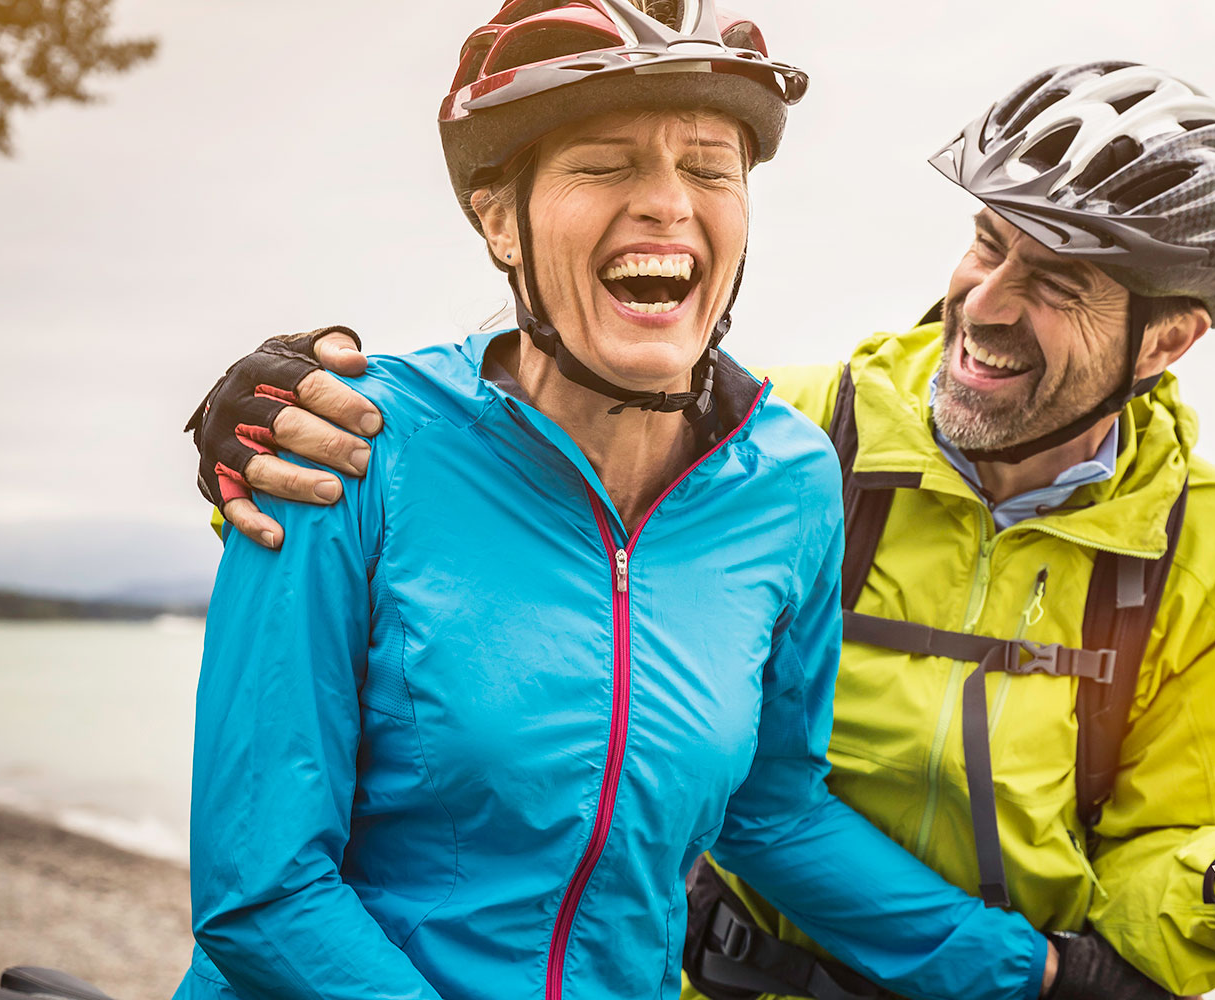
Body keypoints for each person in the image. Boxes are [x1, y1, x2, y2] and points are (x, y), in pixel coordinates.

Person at [185, 58, 1215, 998]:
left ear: (1165, 342)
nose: (984, 306)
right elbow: (261, 880)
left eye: (1055, 282)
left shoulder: (1194, 539)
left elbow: (782, 806)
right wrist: (260, 416)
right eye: (986, 246)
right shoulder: (794, 437)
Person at [172, 3, 1065, 999]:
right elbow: (261, 891)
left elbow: (773, 813)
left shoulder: (791, 480)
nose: (667, 205)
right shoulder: (347, 443)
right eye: (602, 164)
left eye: (708, 168)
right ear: (499, 219)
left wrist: (1031, 971)